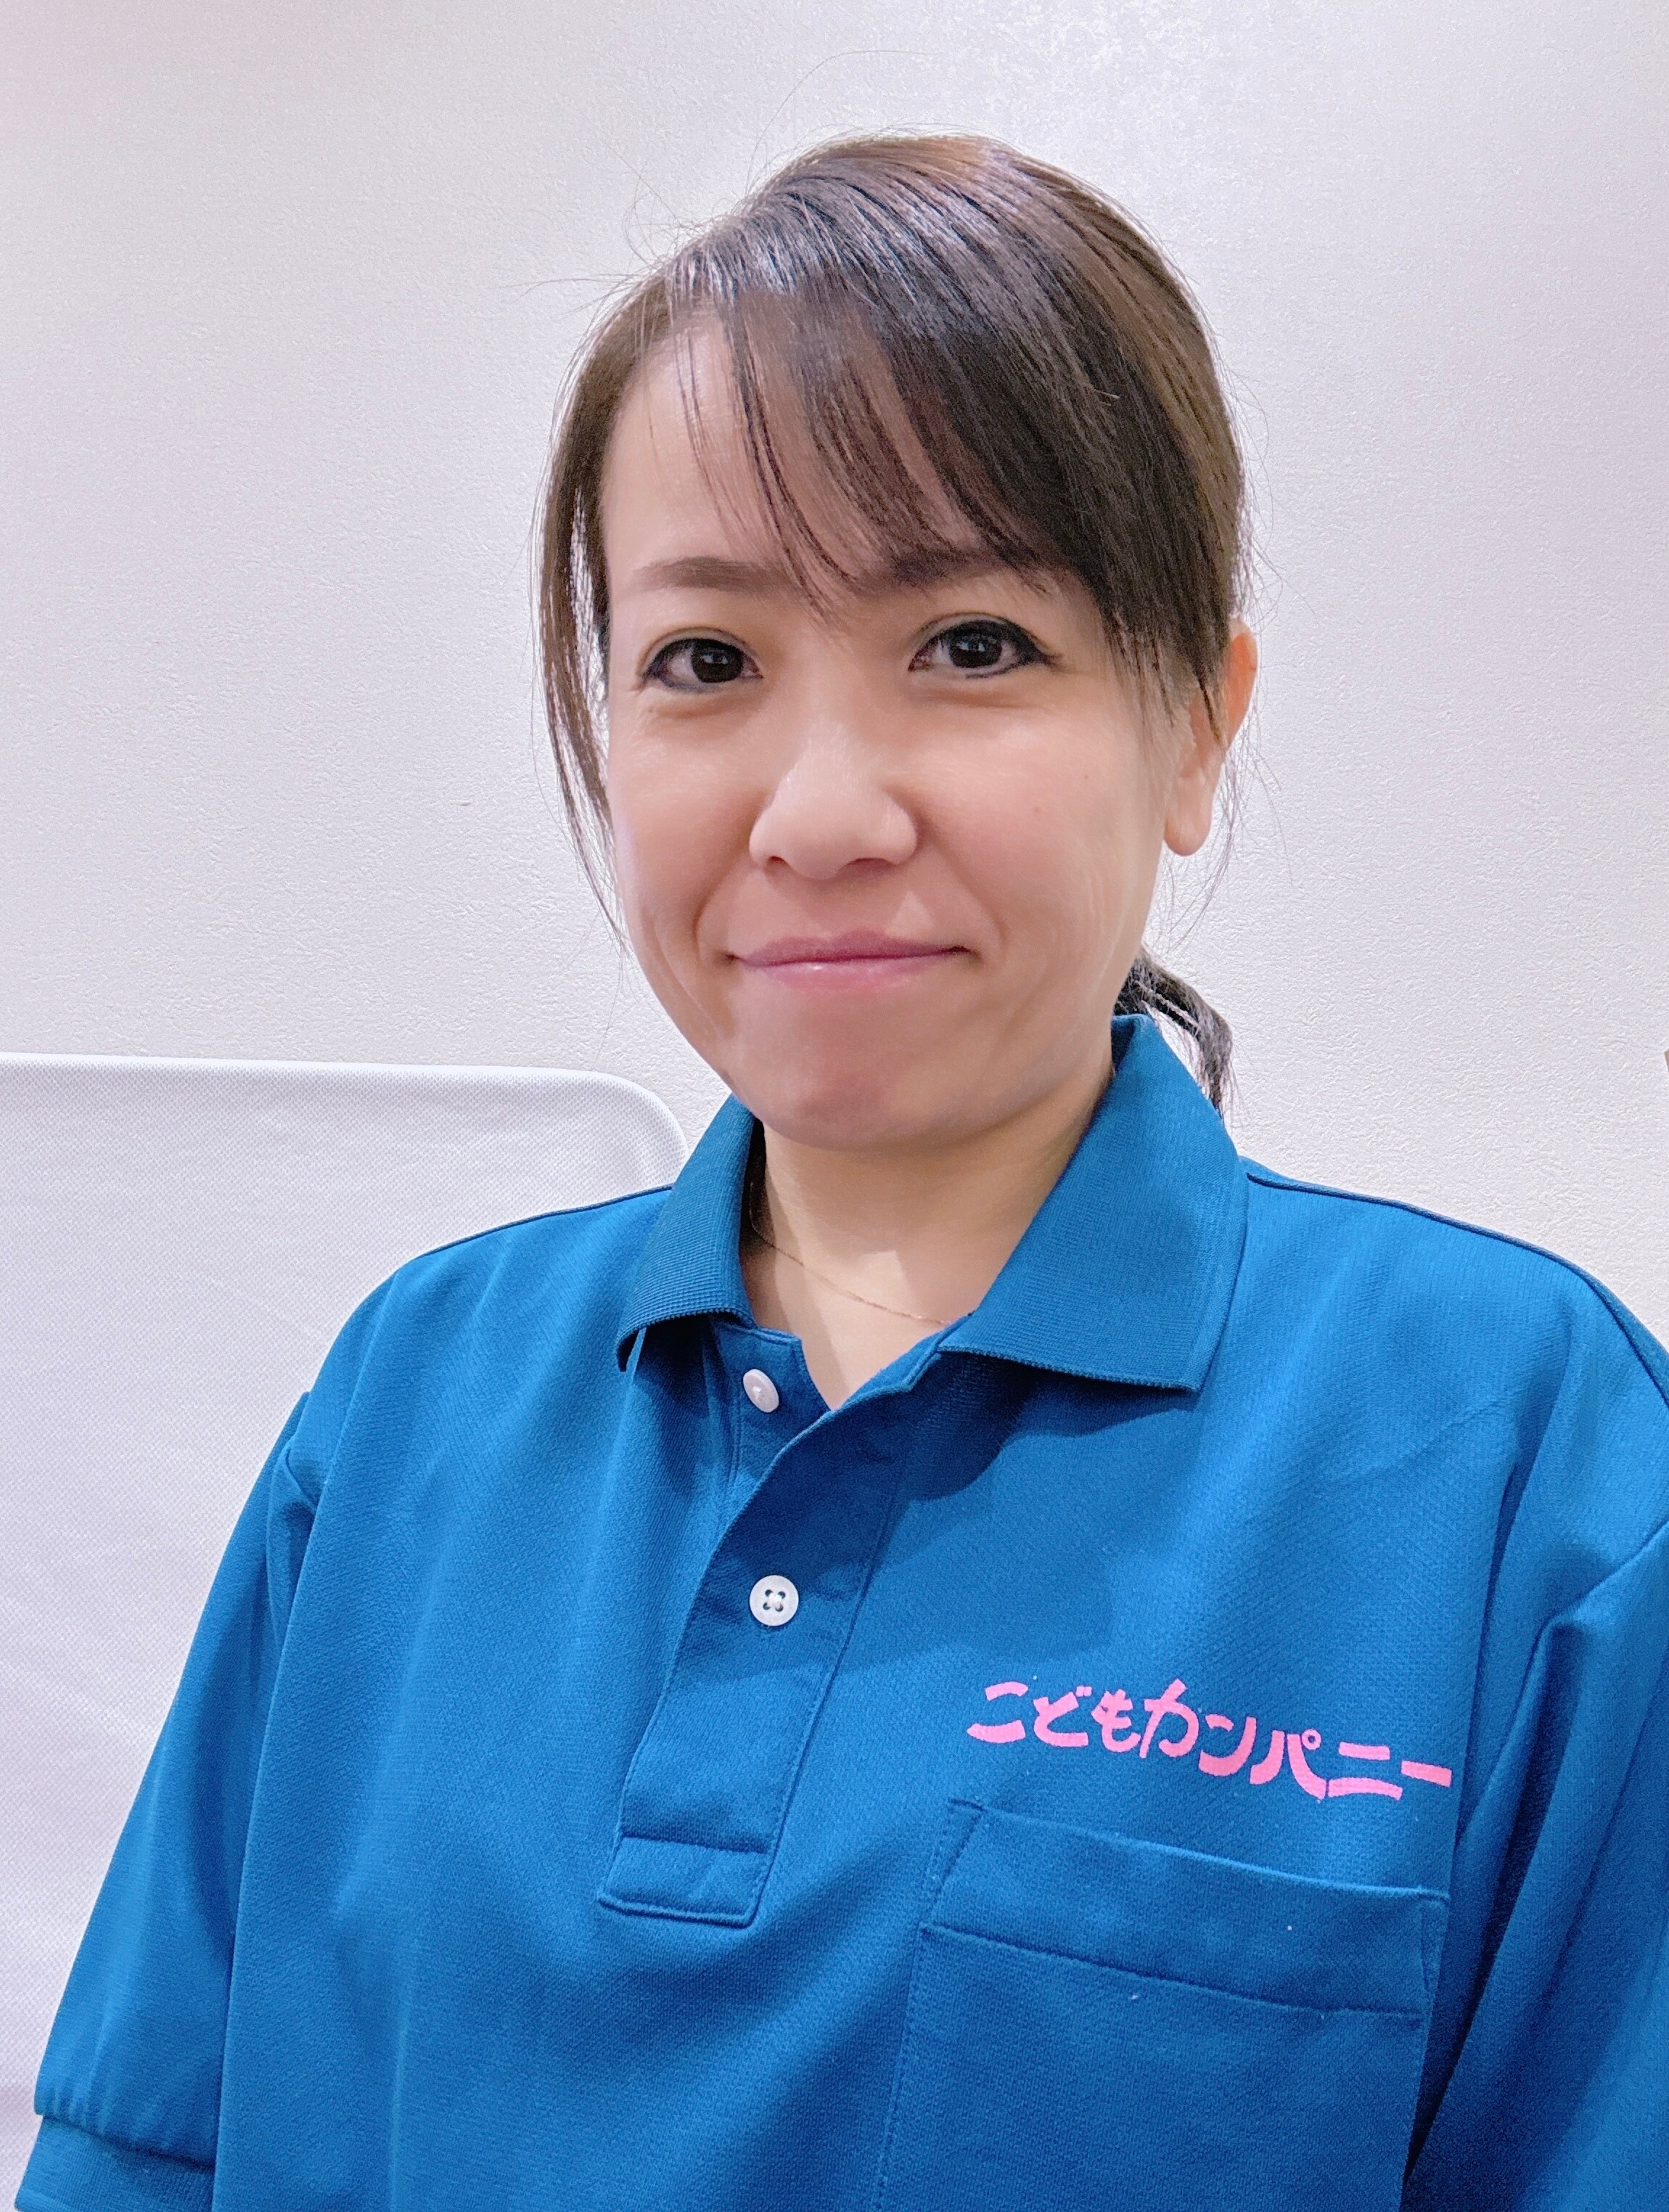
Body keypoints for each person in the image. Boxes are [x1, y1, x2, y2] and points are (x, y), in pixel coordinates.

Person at [19, 134, 1668, 2212]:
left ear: (1193, 726)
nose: (817, 814)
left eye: (970, 643)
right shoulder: (417, 1392)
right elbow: (148, 2159)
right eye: (704, 661)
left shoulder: (1524, 1459)